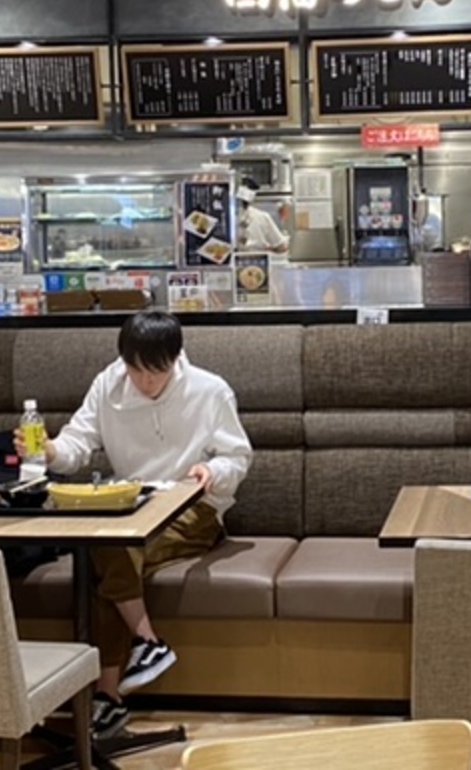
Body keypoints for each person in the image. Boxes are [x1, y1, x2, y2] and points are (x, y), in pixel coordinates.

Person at [16, 310, 252, 739]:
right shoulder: (108, 385)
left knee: (105, 559)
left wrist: (212, 471)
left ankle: (111, 690)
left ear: (176, 358)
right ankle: (144, 648)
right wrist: (49, 450)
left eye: (155, 371)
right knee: (109, 550)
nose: (144, 381)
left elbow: (237, 457)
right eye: (135, 369)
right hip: (132, 504)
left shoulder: (210, 390)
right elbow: (76, 445)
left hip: (192, 509)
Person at [236, 177, 289, 254]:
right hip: (259, 259)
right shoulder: (262, 217)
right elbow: (282, 247)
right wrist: (270, 249)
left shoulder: (226, 218)